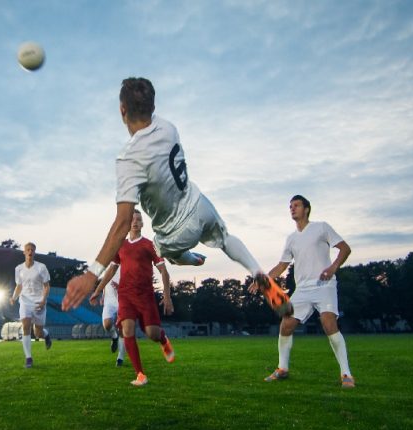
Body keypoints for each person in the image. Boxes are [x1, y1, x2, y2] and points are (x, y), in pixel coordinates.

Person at [62, 77, 289, 316]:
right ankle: (257, 272)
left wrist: (91, 275)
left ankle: (192, 259)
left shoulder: (129, 159)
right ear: (153, 107)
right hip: (200, 204)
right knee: (224, 239)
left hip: (176, 232)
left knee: (165, 252)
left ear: (122, 110)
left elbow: (122, 225)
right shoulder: (169, 128)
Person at [256, 195, 354, 388]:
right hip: (302, 289)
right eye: (290, 206)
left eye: (296, 205)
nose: (292, 209)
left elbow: (345, 249)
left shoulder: (321, 227)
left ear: (307, 209)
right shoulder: (291, 239)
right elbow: (282, 265)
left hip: (324, 285)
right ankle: (282, 369)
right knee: (286, 325)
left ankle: (346, 374)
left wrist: (333, 267)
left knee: (328, 323)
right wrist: (264, 279)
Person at [89, 209, 174, 386]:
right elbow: (111, 269)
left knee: (152, 333)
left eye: (138, 219)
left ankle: (163, 338)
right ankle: (140, 375)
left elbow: (164, 271)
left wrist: (167, 296)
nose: (135, 222)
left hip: (145, 296)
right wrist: (98, 290)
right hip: (125, 296)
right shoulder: (120, 245)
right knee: (127, 330)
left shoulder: (150, 245)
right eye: (132, 220)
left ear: (143, 224)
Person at [9, 242, 52, 368]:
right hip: (25, 301)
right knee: (26, 327)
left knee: (38, 333)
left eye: (32, 250)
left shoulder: (41, 267)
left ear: (34, 252)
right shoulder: (18, 269)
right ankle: (28, 358)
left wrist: (44, 299)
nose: (30, 252)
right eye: (27, 250)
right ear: (24, 252)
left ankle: (46, 334)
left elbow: (46, 286)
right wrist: (13, 297)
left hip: (39, 301)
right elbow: (19, 286)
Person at [90, 267, 126, 367]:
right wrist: (102, 295)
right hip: (109, 302)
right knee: (107, 324)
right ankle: (114, 337)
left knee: (122, 329)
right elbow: (106, 281)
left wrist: (121, 288)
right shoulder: (111, 263)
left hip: (123, 301)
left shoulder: (127, 263)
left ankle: (120, 357)